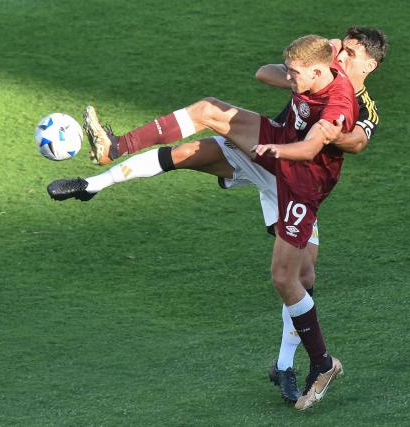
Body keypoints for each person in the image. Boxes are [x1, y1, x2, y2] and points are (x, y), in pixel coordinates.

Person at [50, 34, 358, 410]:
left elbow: (311, 148)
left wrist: (278, 148)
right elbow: (264, 73)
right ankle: (104, 165)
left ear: (321, 69)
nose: (290, 79)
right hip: (271, 150)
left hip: (297, 181)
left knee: (294, 280)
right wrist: (293, 74)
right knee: (206, 113)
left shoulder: (339, 104)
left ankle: (307, 365)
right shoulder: (318, 70)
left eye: (296, 73)